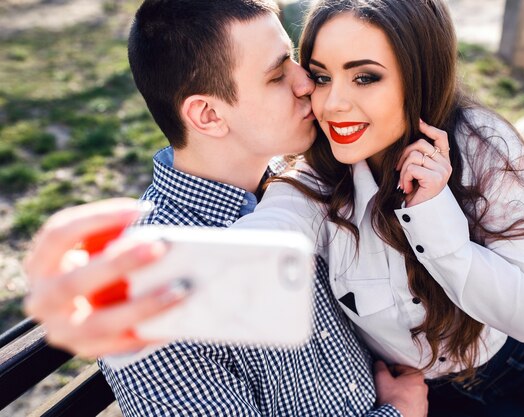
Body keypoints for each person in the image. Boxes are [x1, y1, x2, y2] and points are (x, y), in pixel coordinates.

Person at [23, 0, 428, 416]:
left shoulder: (308, 175)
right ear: (209, 115)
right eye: (276, 75)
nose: (306, 81)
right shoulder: (154, 289)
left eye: (291, 59)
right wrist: (398, 412)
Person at [228, 0, 524, 416]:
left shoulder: (483, 145)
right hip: (432, 397)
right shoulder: (313, 175)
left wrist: (435, 214)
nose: (333, 104)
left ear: (419, 76)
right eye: (322, 77)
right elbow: (274, 224)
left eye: (365, 77)